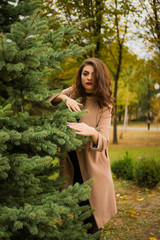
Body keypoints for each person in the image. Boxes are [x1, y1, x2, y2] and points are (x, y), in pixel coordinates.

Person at [47, 58, 117, 235]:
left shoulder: (105, 104)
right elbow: (47, 97)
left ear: (100, 77)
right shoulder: (74, 92)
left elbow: (104, 141)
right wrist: (63, 97)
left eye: (94, 74)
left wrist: (91, 132)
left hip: (92, 169)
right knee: (77, 217)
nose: (89, 77)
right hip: (70, 166)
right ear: (80, 75)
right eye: (85, 73)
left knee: (92, 220)